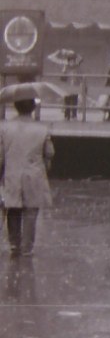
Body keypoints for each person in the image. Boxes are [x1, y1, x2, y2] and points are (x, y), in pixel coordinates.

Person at [0, 98, 55, 257]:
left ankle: (14, 244)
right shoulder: (42, 129)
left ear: (15, 107)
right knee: (31, 212)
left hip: (12, 173)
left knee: (13, 210)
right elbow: (49, 153)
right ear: (32, 108)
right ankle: (27, 248)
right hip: (34, 174)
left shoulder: (5, 127)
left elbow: (1, 156)